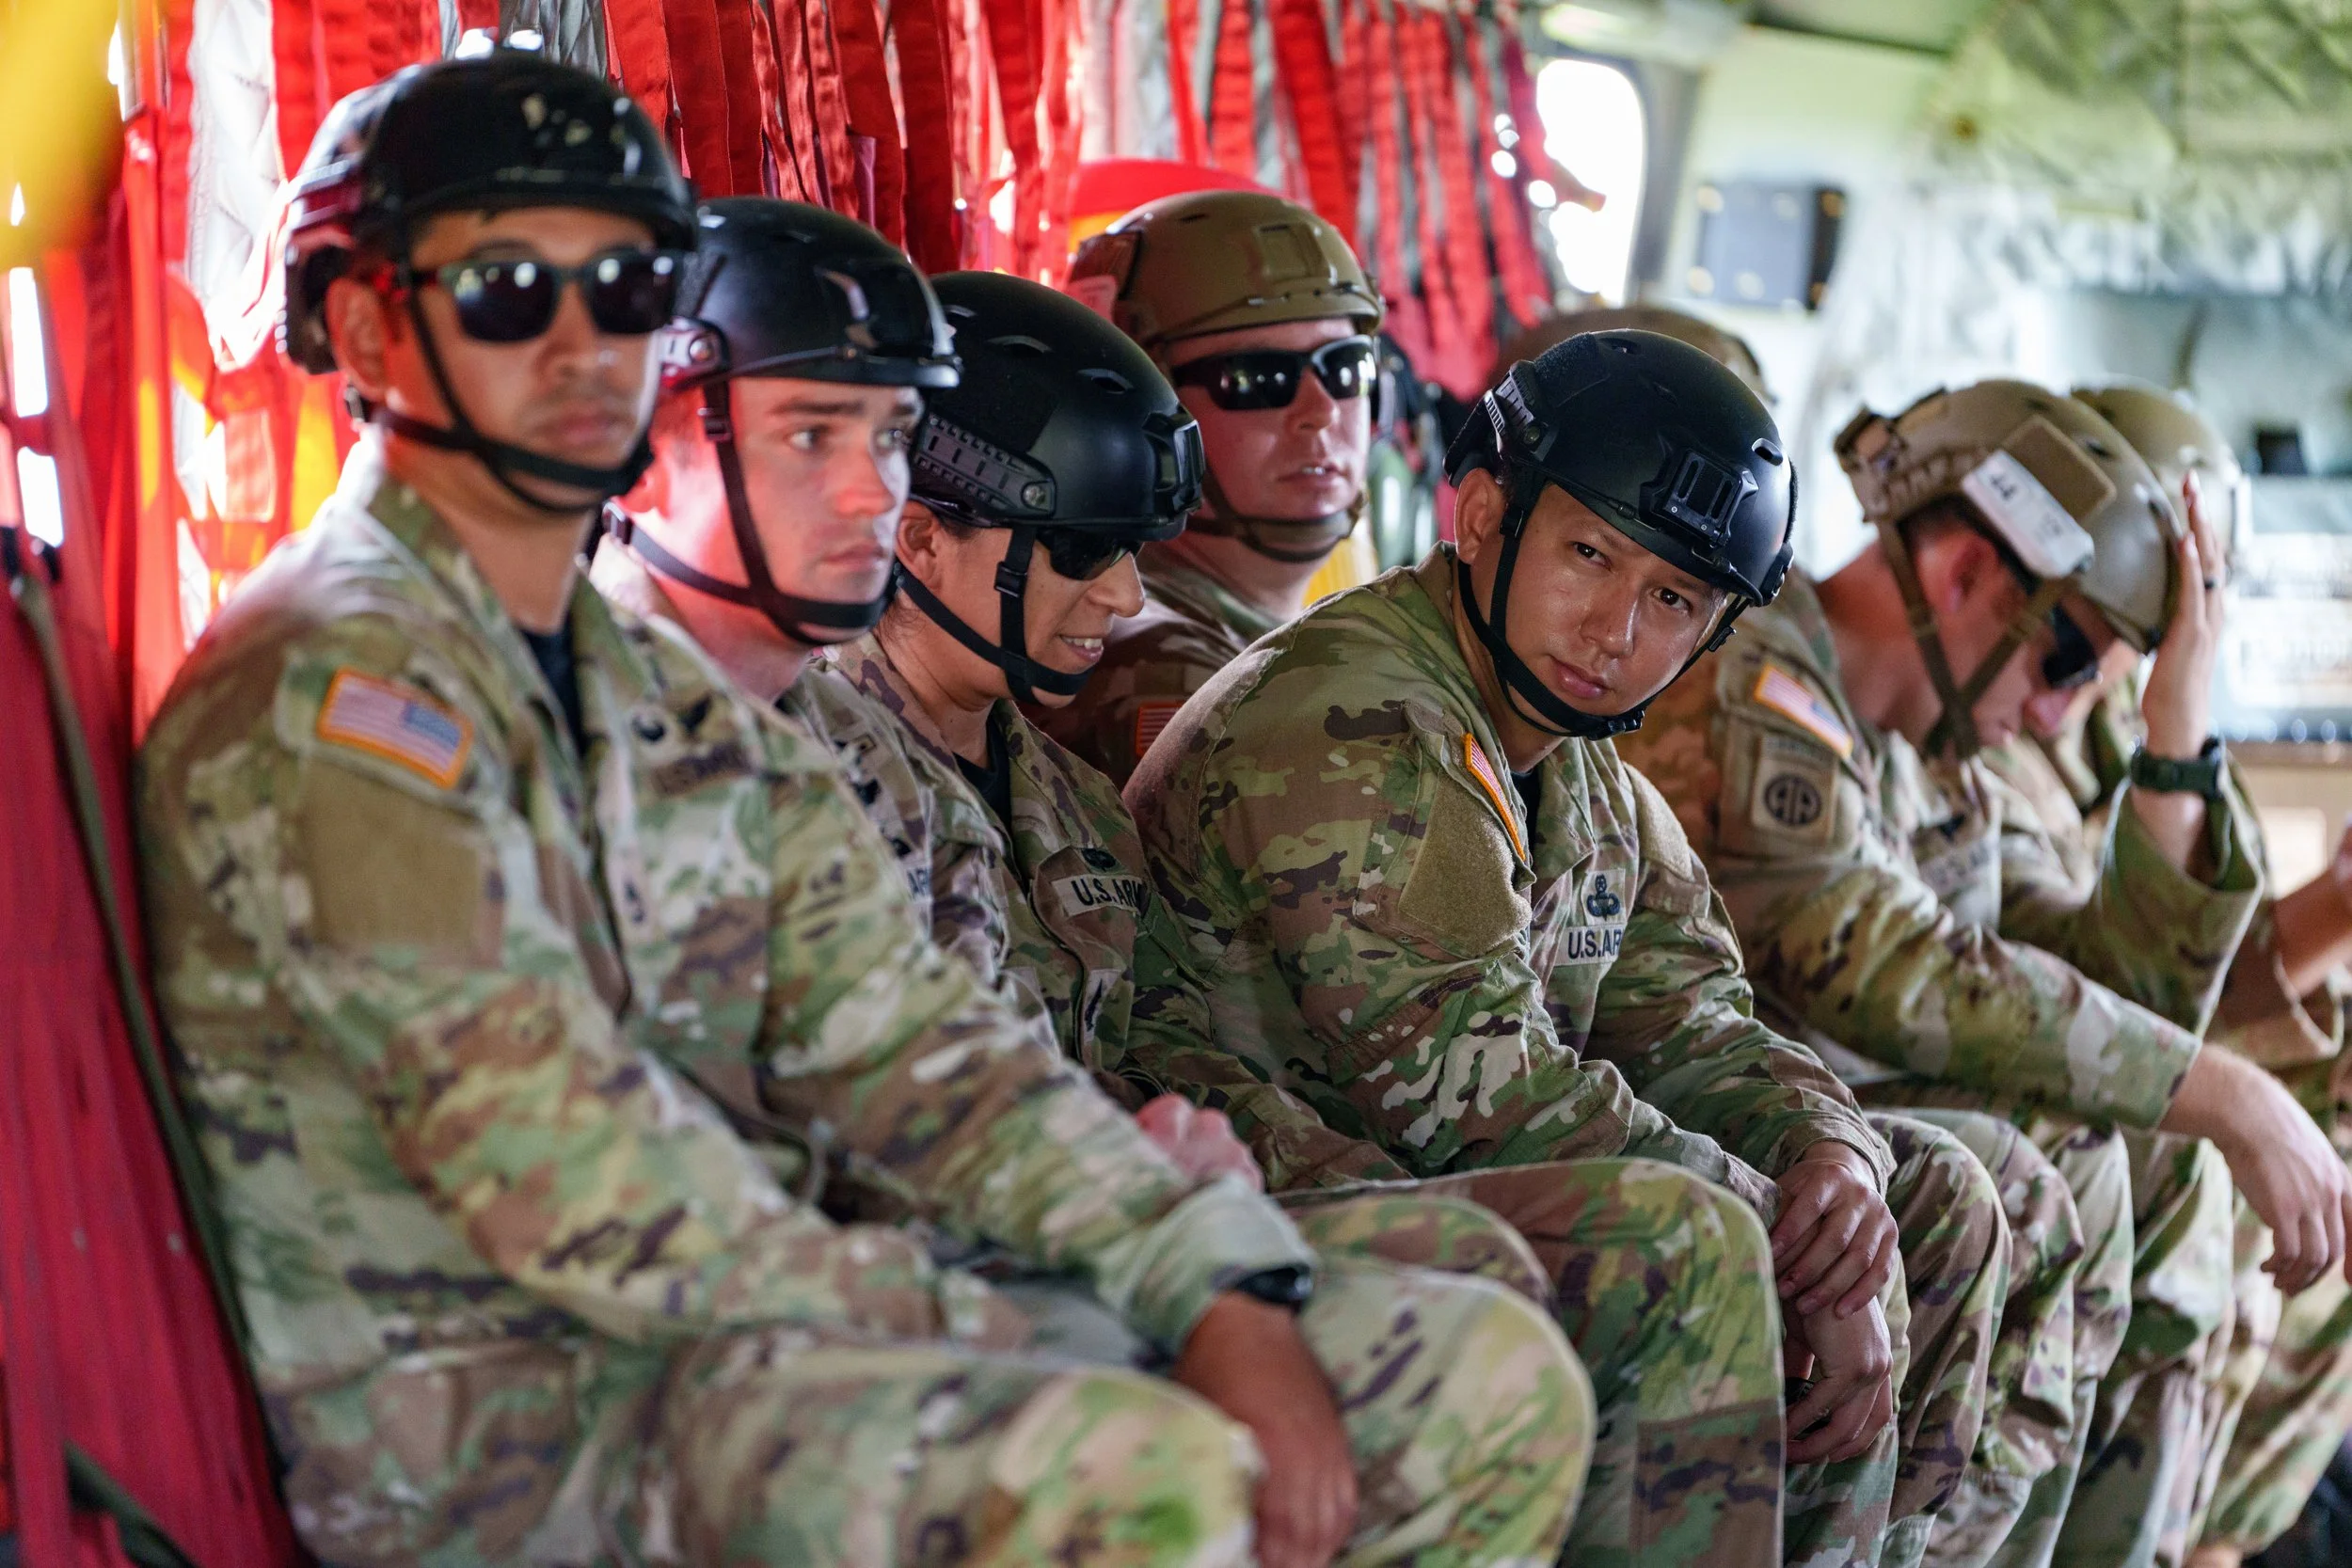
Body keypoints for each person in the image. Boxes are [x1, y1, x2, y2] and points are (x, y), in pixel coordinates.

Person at [137, 59, 1593, 1568]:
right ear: (370, 325)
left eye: (626, 283)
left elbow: (915, 1043)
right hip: (512, 1431)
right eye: (511, 289)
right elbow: (572, 1181)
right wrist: (1006, 1326)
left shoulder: (641, 687)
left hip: (747, 1348)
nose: (583, 341)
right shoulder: (345, 688)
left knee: (1478, 1389)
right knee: (1144, 1467)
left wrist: (1206, 1276)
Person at [599, 207, 1784, 1568]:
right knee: (1514, 1304)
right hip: (909, 1281)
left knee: (1489, 1268)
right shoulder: (769, 749)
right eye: (1086, 555)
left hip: (1078, 1222)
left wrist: (1259, 1199)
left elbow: (1167, 1052)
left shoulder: (1052, 789)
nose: (1121, 601)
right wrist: (1205, 1235)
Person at [1126, 327, 2026, 1568]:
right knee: (1698, 1235)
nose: (1613, 628)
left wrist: (1830, 1161)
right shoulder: (1359, 718)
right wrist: (1782, 1226)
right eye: (1589, 555)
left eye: (1672, 599)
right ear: (1487, 515)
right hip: (1278, 1187)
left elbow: (1702, 1019)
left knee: (1929, 1196)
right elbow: (1477, 1096)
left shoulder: (1585, 769)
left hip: (1449, 1185)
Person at [1618, 375, 2352, 1568]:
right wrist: (2228, 1090)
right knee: (2047, 1162)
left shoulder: (1929, 758)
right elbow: (1878, 960)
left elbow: (2129, 1000)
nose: (2062, 715)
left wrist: (2172, 745)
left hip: (1830, 1121)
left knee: (2158, 1156)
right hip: (1706, 1112)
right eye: (2069, 665)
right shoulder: (1756, 680)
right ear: (1965, 579)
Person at [1979, 383, 2352, 1568]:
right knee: (2212, 1160)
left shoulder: (2099, 725)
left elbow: (2192, 969)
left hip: (2101, 1064)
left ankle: (2212, 1537)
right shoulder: (1992, 733)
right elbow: (2101, 995)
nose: (2112, 662)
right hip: (2029, 1091)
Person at [1036, 189, 1384, 787]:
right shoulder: (1164, 671)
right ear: (1139, 412)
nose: (1321, 411)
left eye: (1346, 367)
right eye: (1257, 378)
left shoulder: (1243, 643)